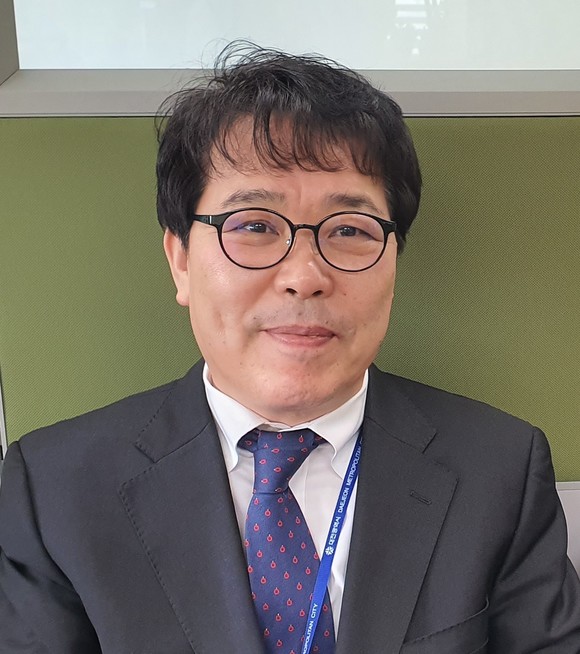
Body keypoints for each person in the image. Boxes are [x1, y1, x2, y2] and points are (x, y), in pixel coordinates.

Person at [0, 43, 579, 654]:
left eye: (350, 230)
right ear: (181, 261)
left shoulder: (499, 471)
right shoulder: (55, 489)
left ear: (394, 263)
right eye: (254, 225)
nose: (304, 276)